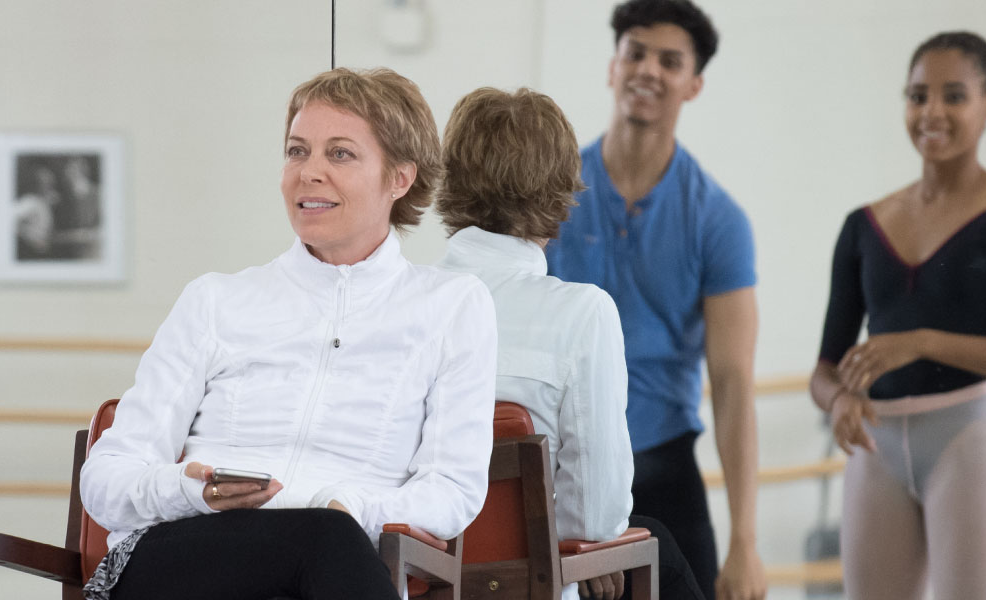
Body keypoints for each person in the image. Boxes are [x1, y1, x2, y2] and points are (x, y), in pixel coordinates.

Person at [77, 68, 498, 600]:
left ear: (399, 178)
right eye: (297, 151)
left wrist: (356, 506)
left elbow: (452, 489)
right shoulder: (214, 300)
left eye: (340, 154)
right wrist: (190, 490)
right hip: (186, 554)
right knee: (327, 541)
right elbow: (105, 478)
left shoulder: (453, 306)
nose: (309, 172)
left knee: (329, 537)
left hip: (335, 557)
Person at [810, 31, 986, 600]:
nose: (931, 112)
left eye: (954, 96)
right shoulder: (863, 225)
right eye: (917, 96)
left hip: (968, 440)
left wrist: (923, 341)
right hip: (874, 448)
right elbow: (823, 371)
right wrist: (840, 401)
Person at [434, 86, 706, 600]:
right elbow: (598, 512)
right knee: (660, 548)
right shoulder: (583, 313)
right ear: (560, 191)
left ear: (448, 178)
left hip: (424, 578)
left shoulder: (405, 303)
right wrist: (589, 542)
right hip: (537, 582)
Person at [543, 1, 765, 598]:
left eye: (670, 61)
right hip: (556, 469)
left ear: (693, 84)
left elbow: (733, 382)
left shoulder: (717, 219)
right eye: (636, 53)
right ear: (612, 67)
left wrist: (745, 541)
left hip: (663, 468)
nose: (648, 70)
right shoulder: (551, 195)